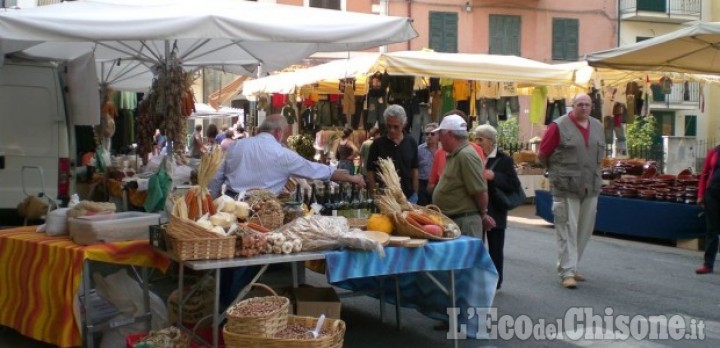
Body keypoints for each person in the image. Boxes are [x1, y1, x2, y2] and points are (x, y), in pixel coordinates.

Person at [209, 114, 365, 198]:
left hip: (231, 206)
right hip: (263, 211)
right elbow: (316, 170)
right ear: (278, 132)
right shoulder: (283, 154)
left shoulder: (236, 146)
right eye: (284, 135)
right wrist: (352, 178)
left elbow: (216, 177)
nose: (284, 139)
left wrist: (215, 201)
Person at [538, 93, 605, 289]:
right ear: (572, 106)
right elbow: (543, 154)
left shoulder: (598, 126)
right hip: (565, 186)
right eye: (580, 104)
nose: (584, 108)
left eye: (587, 105)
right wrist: (556, 171)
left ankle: (573, 266)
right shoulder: (558, 126)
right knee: (567, 228)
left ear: (591, 107)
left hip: (590, 185)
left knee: (584, 230)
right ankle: (567, 272)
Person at [432, 114, 495, 239]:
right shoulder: (457, 154)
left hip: (465, 222)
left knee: (466, 258)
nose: (439, 138)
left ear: (450, 134)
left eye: (441, 134)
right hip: (457, 221)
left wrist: (483, 214)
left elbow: (480, 191)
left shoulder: (466, 155)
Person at [474, 124, 521, 290]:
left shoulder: (504, 159)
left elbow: (514, 184)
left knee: (495, 248)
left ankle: (495, 280)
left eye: (480, 139)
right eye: (475, 138)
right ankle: (477, 278)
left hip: (496, 209)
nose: (477, 142)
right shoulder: (472, 155)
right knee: (476, 246)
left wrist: (494, 176)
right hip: (475, 208)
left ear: (491, 142)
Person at [366, 104, 419, 203]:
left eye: (396, 127)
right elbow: (370, 171)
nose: (391, 130)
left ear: (404, 124)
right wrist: (375, 196)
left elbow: (414, 170)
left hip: (408, 197)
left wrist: (415, 193)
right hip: (386, 199)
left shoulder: (411, 142)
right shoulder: (377, 144)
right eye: (389, 126)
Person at [427, 109, 486, 193]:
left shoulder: (473, 151)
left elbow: (480, 188)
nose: (440, 137)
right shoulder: (440, 152)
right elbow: (431, 184)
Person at [695, 145, 720, 274]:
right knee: (712, 231)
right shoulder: (714, 151)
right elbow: (704, 174)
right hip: (712, 195)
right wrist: (700, 195)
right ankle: (708, 264)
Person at [417, 122, 439, 206]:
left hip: (438, 184)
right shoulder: (419, 149)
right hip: (422, 184)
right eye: (427, 134)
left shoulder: (443, 149)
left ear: (438, 135)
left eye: (432, 133)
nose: (429, 136)